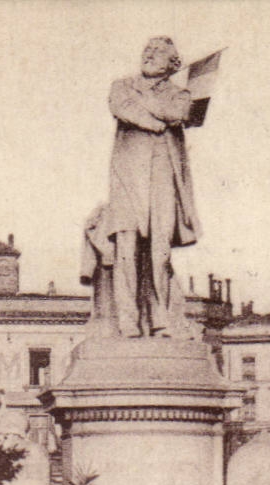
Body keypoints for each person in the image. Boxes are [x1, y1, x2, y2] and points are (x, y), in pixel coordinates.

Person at [105, 36, 200, 338]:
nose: (148, 55)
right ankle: (128, 320)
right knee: (126, 249)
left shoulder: (180, 93)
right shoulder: (122, 85)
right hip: (127, 175)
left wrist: (147, 104)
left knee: (160, 252)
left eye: (158, 53)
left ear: (172, 64)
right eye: (147, 50)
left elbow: (180, 113)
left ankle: (161, 319)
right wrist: (157, 120)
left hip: (163, 174)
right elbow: (122, 108)